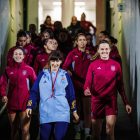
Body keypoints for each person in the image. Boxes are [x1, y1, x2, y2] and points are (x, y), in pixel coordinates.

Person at [84, 40, 132, 140]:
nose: (104, 51)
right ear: (98, 50)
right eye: (102, 49)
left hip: (111, 100)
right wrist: (86, 89)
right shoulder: (93, 65)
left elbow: (120, 85)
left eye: (106, 49)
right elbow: (88, 81)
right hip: (97, 101)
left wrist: (126, 102)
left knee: (109, 131)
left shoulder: (116, 65)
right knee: (96, 134)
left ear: (110, 50)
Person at [26, 50, 79, 140]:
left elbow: (71, 95)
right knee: (44, 138)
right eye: (53, 60)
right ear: (49, 61)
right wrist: (29, 106)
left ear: (61, 61)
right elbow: (34, 92)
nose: (55, 63)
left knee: (59, 138)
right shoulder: (42, 74)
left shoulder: (65, 75)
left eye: (57, 60)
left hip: (62, 113)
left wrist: (74, 111)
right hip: (45, 112)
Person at [0, 47, 36, 140]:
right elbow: (2, 84)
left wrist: (32, 100)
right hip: (12, 103)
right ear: (12, 56)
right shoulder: (8, 70)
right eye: (16, 54)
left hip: (25, 103)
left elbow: (35, 86)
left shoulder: (29, 70)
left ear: (24, 56)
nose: (18, 56)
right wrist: (3, 94)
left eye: (20, 54)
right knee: (14, 129)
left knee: (25, 129)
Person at [62, 33, 91, 140]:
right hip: (75, 86)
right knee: (77, 109)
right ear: (76, 42)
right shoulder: (72, 54)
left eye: (84, 40)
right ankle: (78, 130)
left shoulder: (90, 54)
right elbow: (64, 67)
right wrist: (69, 73)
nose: (83, 41)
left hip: (87, 86)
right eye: (80, 40)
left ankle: (87, 132)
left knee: (87, 110)